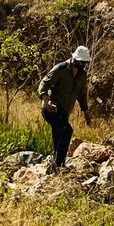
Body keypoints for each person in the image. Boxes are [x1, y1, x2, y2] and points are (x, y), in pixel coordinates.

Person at [38, 45, 92, 174]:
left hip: (64, 112)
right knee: (67, 131)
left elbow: (82, 95)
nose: (83, 64)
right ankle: (59, 166)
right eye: (81, 62)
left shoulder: (82, 76)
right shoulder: (61, 69)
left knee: (59, 139)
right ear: (74, 58)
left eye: (85, 62)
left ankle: (54, 169)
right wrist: (46, 101)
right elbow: (44, 83)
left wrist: (86, 112)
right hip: (51, 109)